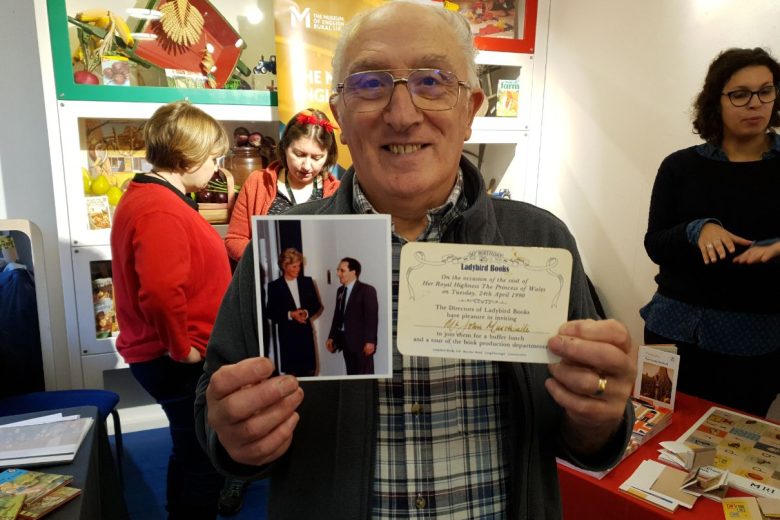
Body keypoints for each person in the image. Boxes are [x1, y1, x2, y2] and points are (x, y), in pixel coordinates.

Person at [195, 3, 636, 518]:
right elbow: (216, 408)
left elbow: (580, 433)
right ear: (339, 115)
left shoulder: (541, 242)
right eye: (369, 85)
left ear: (471, 110)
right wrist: (230, 433)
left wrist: (599, 416)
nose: (402, 115)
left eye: (432, 81)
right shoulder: (282, 250)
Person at [641, 47, 780, 418]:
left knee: (735, 445)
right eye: (740, 94)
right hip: (673, 332)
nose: (755, 104)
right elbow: (655, 243)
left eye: (765, 91)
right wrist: (695, 230)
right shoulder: (680, 167)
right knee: (657, 435)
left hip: (755, 343)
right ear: (715, 100)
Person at [111, 100, 230, 519]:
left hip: (168, 355)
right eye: (214, 158)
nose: (217, 169)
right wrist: (183, 350)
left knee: (190, 450)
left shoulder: (149, 198)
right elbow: (161, 292)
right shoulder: (160, 207)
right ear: (187, 155)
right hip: (175, 360)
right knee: (202, 460)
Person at [224, 109, 340, 261]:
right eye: (299, 155)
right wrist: (267, 259)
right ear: (285, 147)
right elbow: (234, 239)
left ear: (328, 156)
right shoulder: (258, 183)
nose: (306, 166)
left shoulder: (337, 192)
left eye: (317, 158)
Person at [267, 248, 323, 377]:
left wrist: (306, 312)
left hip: (306, 334)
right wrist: (290, 314)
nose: (298, 269)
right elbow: (270, 311)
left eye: (299, 266)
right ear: (284, 267)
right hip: (288, 337)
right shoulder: (274, 286)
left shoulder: (307, 282)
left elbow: (316, 305)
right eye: (294, 266)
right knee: (292, 375)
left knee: (310, 371)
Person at [325, 257, 378, 375]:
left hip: (362, 344)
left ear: (353, 272)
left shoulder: (367, 290)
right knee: (351, 374)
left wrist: (370, 341)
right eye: (338, 270)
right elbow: (337, 315)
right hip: (346, 343)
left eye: (342, 270)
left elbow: (371, 318)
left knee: (364, 376)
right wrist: (331, 336)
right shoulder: (340, 291)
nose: (338, 273)